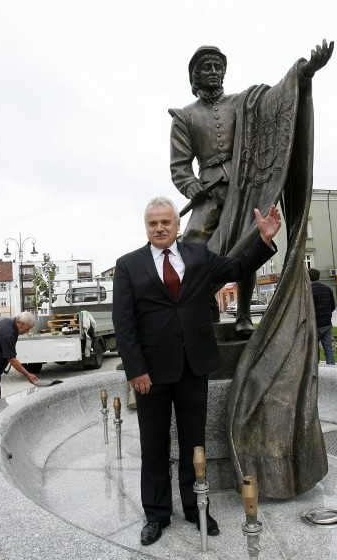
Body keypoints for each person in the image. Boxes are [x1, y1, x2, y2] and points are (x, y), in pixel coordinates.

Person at [113, 196, 280, 546]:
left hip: (193, 368)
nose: (159, 228)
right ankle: (156, 514)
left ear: (176, 225)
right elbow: (124, 324)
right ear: (146, 227)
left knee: (194, 444)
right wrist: (135, 371)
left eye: (165, 222)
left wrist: (263, 240)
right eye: (152, 223)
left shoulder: (197, 255)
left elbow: (236, 268)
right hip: (151, 375)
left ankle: (193, 505)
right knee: (153, 446)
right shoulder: (128, 265)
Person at [169, 41, 333, 337]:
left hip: (245, 186)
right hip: (208, 190)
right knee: (193, 244)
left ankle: (243, 314)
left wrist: (303, 72)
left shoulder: (243, 102)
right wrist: (192, 186)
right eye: (207, 67)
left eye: (219, 66)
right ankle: (204, 305)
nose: (214, 72)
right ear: (194, 75)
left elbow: (276, 100)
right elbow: (179, 166)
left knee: (248, 245)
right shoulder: (184, 116)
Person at [309, 269, 336, 364]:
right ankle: (332, 371)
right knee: (328, 350)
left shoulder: (308, 290)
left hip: (314, 325)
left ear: (309, 277)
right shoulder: (328, 289)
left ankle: (315, 370)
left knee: (313, 351)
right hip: (327, 324)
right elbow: (332, 306)